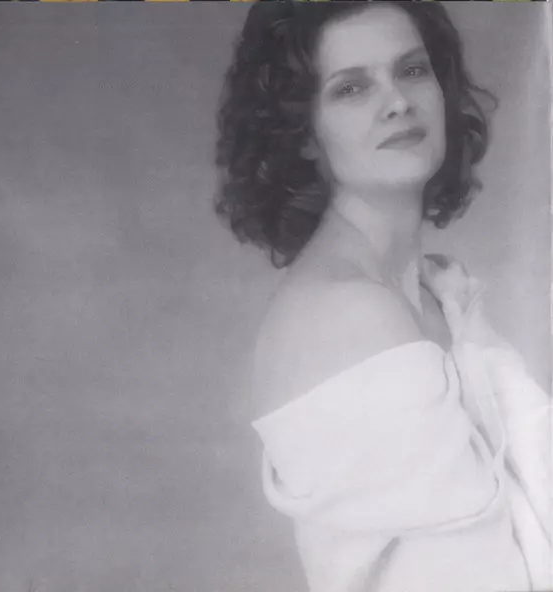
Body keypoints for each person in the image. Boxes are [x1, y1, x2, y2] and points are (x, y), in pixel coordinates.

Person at [214, 2, 551, 591]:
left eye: (412, 70)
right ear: (303, 134)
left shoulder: (431, 290)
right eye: (351, 88)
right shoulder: (347, 314)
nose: (397, 101)